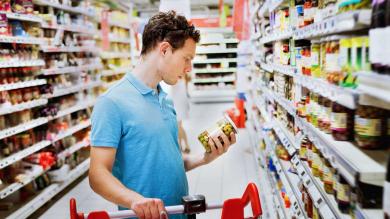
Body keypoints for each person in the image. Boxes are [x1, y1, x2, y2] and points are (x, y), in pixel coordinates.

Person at [88, 11, 237, 219]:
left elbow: (169, 161)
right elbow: (97, 175)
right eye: (186, 59)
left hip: (179, 213)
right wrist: (134, 200)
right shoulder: (112, 102)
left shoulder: (165, 99)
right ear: (165, 49)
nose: (189, 68)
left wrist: (204, 158)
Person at [170, 76, 191, 153]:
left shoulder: (176, 78)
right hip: (178, 103)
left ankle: (186, 145)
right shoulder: (182, 77)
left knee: (178, 126)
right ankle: (181, 145)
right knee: (178, 126)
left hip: (178, 104)